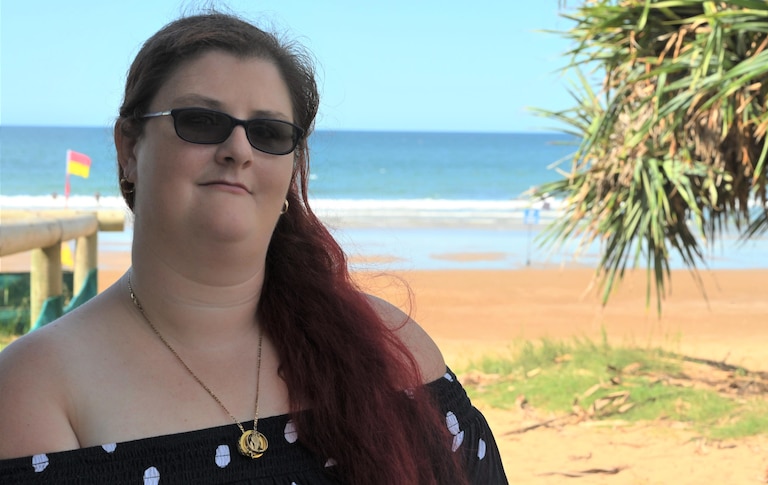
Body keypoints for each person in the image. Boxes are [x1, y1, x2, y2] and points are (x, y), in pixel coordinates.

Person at [0, 12, 507, 484]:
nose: (238, 149)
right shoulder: (36, 389)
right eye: (200, 121)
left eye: (268, 132)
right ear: (129, 150)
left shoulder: (393, 352)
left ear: (291, 169)